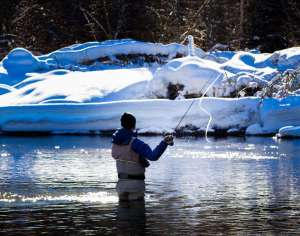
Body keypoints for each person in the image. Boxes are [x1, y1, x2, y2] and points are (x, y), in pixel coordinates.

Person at [111, 112, 173, 201]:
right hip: (136, 185)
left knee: (122, 213)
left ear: (122, 124)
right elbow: (153, 156)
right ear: (134, 125)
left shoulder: (115, 142)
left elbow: (125, 155)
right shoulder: (136, 143)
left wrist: (139, 158)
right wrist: (164, 142)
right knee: (137, 213)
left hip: (121, 185)